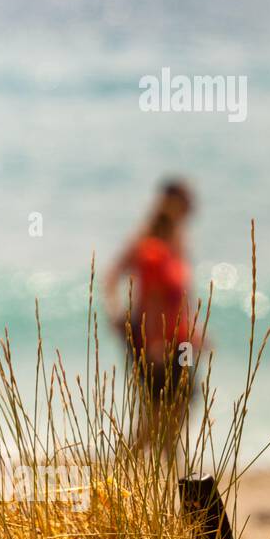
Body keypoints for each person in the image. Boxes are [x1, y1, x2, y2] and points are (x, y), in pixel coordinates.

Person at [104, 179, 199, 453]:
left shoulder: (177, 241)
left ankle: (161, 460)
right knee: (160, 406)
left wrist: (195, 330)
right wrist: (117, 316)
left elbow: (180, 296)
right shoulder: (151, 247)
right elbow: (153, 296)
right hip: (156, 339)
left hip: (180, 339)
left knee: (183, 399)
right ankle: (142, 458)